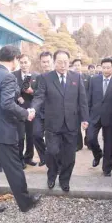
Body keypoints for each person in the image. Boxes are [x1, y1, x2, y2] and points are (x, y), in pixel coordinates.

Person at [0, 45, 41, 219]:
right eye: (18, 60)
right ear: (13, 59)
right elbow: (7, 103)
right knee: (14, 169)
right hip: (3, 132)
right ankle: (25, 202)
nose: (18, 64)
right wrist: (25, 114)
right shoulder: (7, 77)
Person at [31, 50, 89, 192]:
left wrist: (85, 118)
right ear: (54, 62)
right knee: (52, 151)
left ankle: (64, 180)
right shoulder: (46, 78)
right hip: (53, 123)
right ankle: (51, 176)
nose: (63, 65)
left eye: (65, 62)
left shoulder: (77, 77)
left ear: (69, 62)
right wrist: (33, 109)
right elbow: (39, 96)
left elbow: (82, 100)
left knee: (70, 156)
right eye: (59, 62)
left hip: (71, 123)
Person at [87, 57, 112, 177]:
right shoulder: (94, 80)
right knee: (90, 138)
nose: (106, 70)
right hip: (94, 116)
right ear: (101, 68)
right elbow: (89, 98)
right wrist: (87, 115)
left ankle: (107, 168)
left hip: (110, 117)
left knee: (109, 144)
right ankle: (97, 154)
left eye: (108, 67)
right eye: (104, 67)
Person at [13, 54, 38, 168]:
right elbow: (10, 90)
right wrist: (18, 96)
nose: (23, 65)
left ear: (30, 62)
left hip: (31, 108)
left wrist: (32, 91)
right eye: (21, 62)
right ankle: (19, 159)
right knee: (20, 136)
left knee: (30, 135)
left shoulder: (36, 76)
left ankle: (29, 157)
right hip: (18, 109)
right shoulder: (13, 75)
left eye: (25, 62)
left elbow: (40, 94)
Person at [33, 51, 53, 167]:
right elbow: (37, 95)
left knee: (52, 140)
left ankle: (53, 162)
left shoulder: (57, 76)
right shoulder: (38, 77)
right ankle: (43, 157)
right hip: (40, 112)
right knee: (36, 134)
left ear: (52, 62)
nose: (45, 64)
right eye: (43, 62)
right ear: (40, 63)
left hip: (53, 113)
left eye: (47, 62)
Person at [72, 58, 89, 151]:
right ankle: (78, 144)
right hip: (75, 105)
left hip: (85, 104)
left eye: (79, 65)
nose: (77, 67)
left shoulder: (87, 77)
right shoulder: (72, 77)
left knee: (86, 123)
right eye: (75, 65)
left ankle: (88, 141)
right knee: (76, 126)